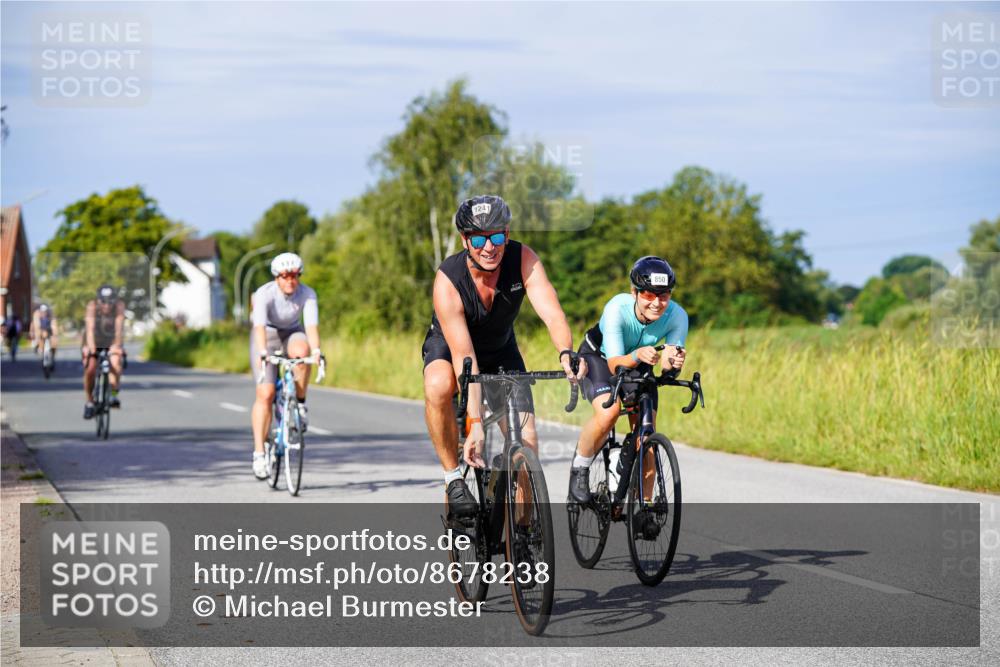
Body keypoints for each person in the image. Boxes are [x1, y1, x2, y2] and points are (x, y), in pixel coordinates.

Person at [422, 194, 586, 518]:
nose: (489, 246)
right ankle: (453, 477)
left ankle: (522, 538)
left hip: (501, 349)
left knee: (527, 443)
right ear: (464, 240)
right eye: (479, 238)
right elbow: (464, 358)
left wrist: (566, 352)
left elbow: (553, 314)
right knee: (439, 385)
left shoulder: (523, 259)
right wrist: (475, 422)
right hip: (453, 348)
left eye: (497, 236)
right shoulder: (448, 280)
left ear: (507, 235)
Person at [567, 256, 689, 505]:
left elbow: (667, 361)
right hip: (599, 358)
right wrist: (637, 355)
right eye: (648, 295)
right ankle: (579, 469)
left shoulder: (678, 315)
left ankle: (644, 506)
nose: (657, 303)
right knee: (608, 413)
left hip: (640, 361)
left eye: (663, 295)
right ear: (634, 292)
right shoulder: (617, 307)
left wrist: (672, 364)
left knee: (647, 436)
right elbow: (615, 364)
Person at [248, 252, 321, 480]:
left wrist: (317, 352)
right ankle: (259, 453)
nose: (290, 280)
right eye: (285, 276)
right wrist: (262, 353)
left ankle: (299, 403)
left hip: (292, 332)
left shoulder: (307, 294)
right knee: (266, 393)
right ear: (277, 278)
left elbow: (310, 328)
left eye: (294, 276)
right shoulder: (264, 294)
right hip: (266, 335)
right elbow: (259, 327)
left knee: (302, 353)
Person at [82, 285, 126, 419]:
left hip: (111, 340)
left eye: (110, 302)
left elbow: (119, 328)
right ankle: (90, 402)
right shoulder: (92, 306)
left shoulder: (119, 306)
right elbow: (90, 329)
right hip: (93, 340)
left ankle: (113, 395)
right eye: (103, 302)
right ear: (98, 300)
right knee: (90, 368)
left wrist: (117, 346)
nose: (107, 305)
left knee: (116, 362)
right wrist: (91, 348)